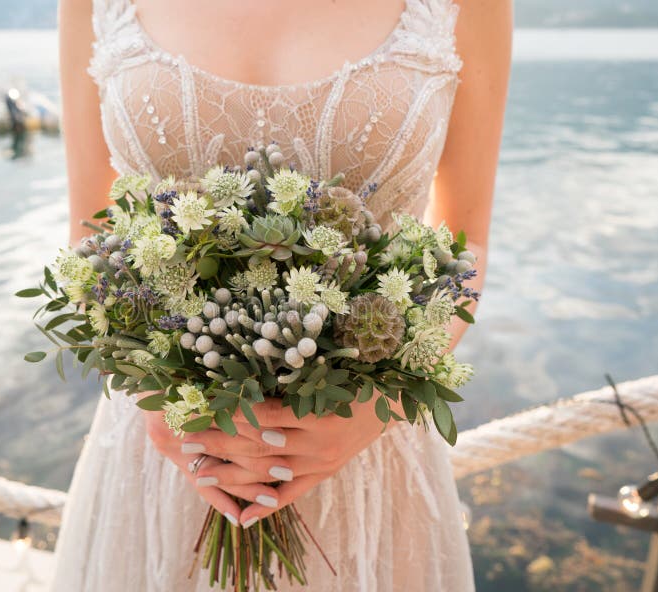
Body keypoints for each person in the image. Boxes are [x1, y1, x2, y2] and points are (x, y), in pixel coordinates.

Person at [52, 0, 511, 589]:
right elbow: (91, 234)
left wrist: (380, 407)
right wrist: (153, 390)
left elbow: (465, 248)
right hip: (169, 449)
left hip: (363, 449)